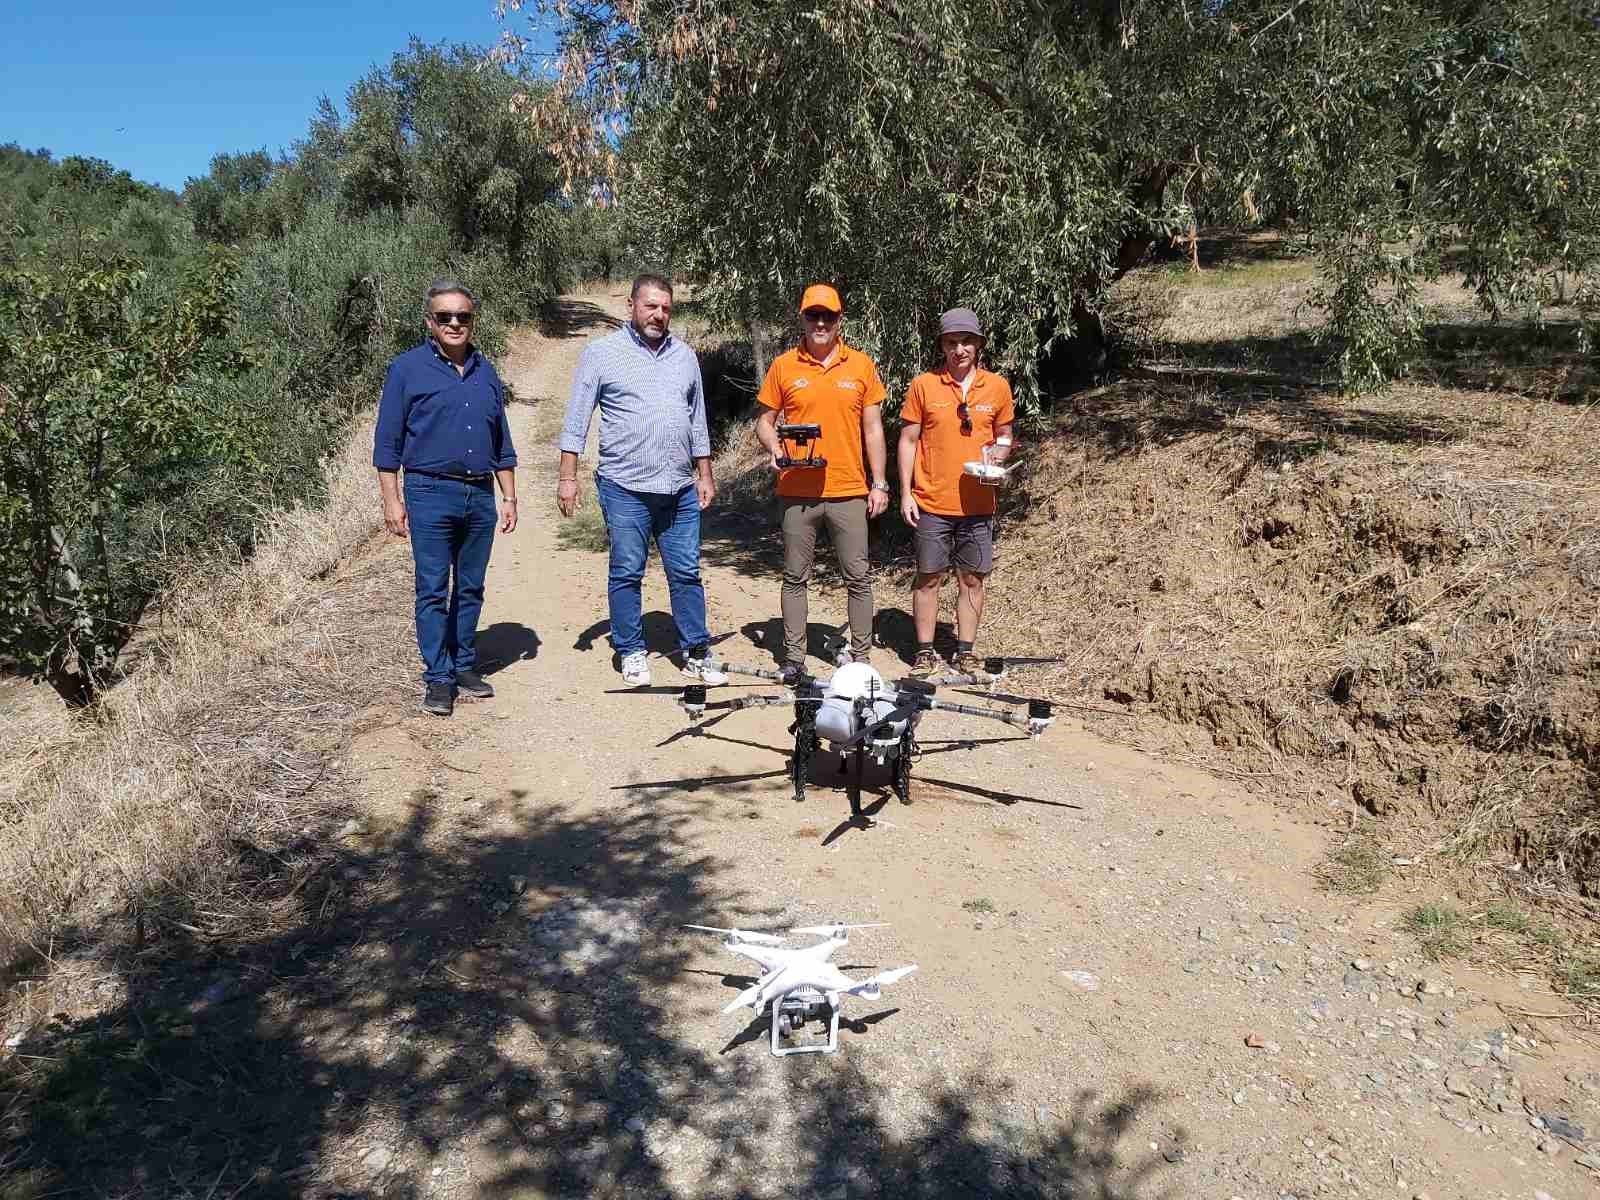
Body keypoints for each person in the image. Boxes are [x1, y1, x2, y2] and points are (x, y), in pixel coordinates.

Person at [558, 273, 724, 688]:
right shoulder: (601, 354)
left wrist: (704, 472)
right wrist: (567, 476)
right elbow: (578, 417)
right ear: (631, 305)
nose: (658, 314)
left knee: (686, 572)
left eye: (666, 307)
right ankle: (631, 650)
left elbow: (697, 419)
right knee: (628, 570)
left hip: (679, 488)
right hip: (624, 486)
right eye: (650, 305)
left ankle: (697, 651)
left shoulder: (685, 356)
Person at [374, 280, 519, 717]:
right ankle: (438, 678)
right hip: (429, 492)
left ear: (472, 321)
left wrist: (509, 496)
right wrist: (392, 501)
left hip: (479, 494)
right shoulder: (406, 369)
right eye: (445, 317)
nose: (455, 323)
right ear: (429, 322)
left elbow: (501, 441)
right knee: (433, 589)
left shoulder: (485, 371)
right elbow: (387, 443)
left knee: (471, 587)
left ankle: (463, 665)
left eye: (463, 316)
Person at [755, 284, 889, 678]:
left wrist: (879, 483)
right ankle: (794, 659)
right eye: (813, 315)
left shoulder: (861, 365)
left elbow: (873, 430)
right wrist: (775, 448)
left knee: (858, 576)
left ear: (838, 320)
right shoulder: (783, 366)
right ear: (802, 318)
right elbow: (764, 422)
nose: (820, 322)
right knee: (796, 576)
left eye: (827, 316)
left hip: (849, 491)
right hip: (797, 491)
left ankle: (861, 661)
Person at [897, 307, 1015, 677]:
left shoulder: (997, 387)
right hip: (932, 501)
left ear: (978, 345)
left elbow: (1005, 435)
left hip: (979, 503)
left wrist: (1000, 452)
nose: (959, 349)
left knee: (972, 578)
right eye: (952, 343)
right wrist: (905, 492)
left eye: (966, 342)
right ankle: (925, 652)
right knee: (929, 577)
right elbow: (908, 440)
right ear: (942, 346)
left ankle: (965, 651)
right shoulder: (924, 385)